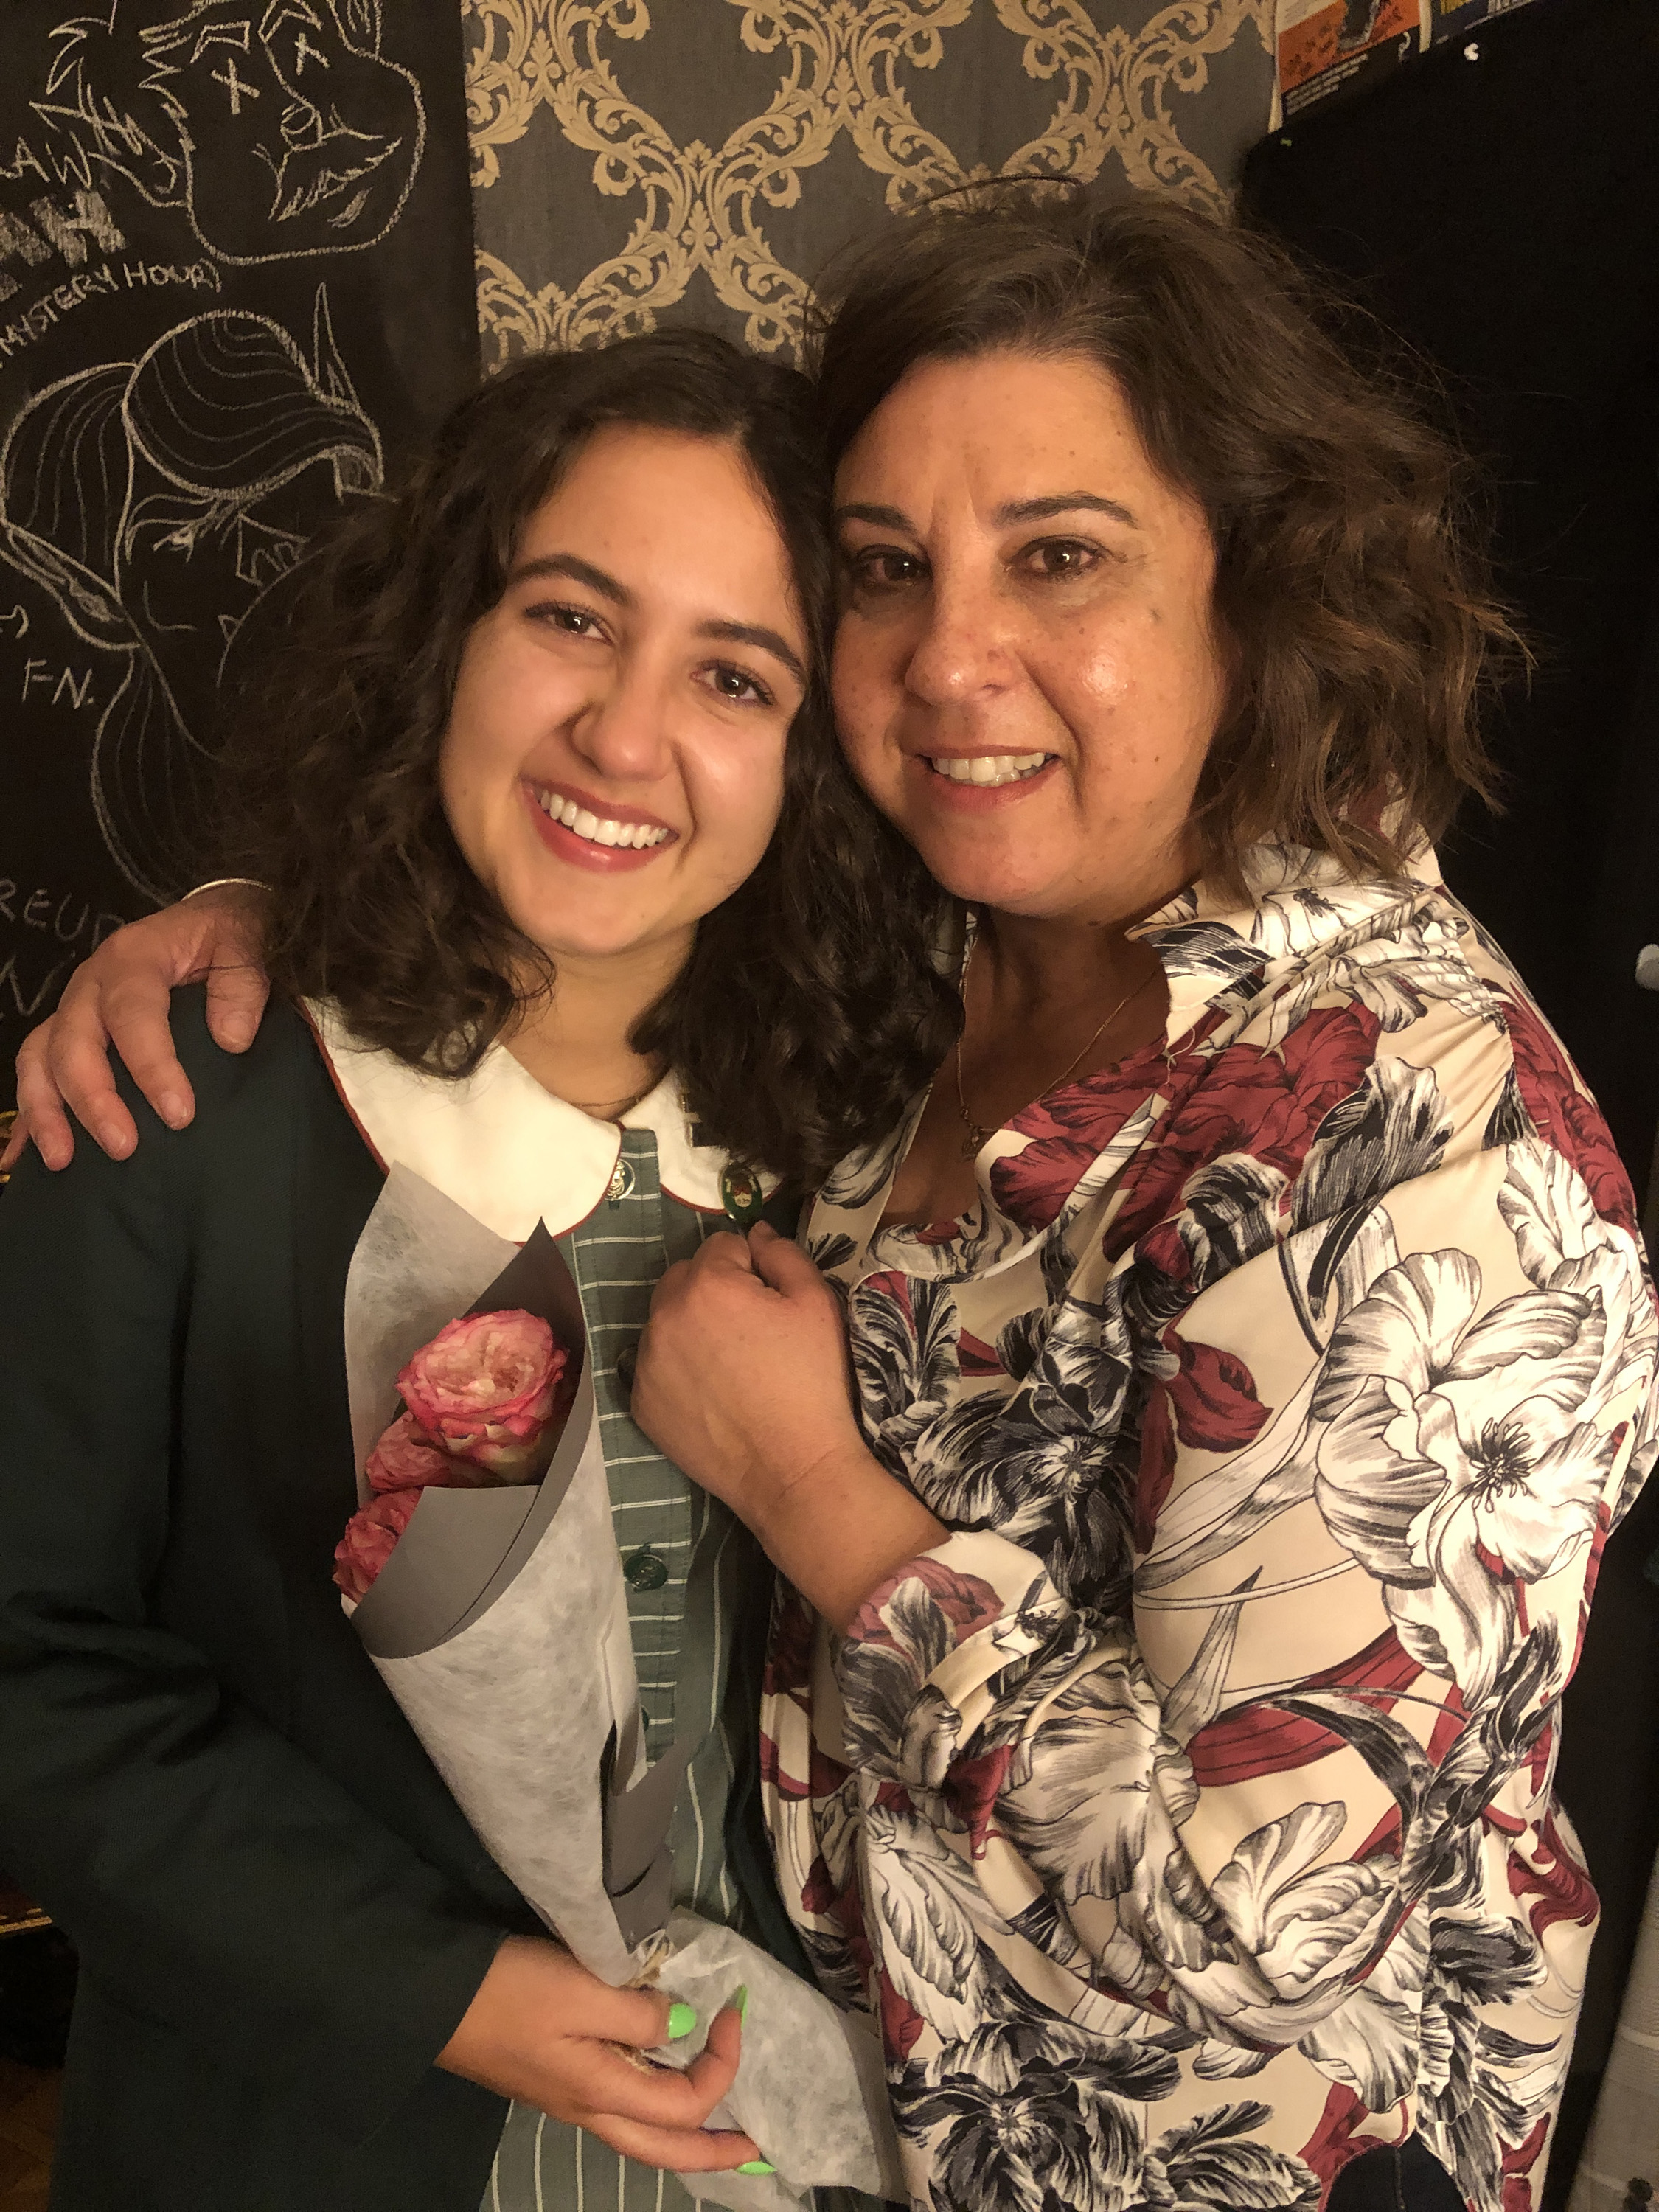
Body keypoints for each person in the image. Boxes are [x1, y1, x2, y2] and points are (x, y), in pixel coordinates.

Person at [10, 192, 1657, 2212]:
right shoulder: (873, 1010)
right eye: (887, 571)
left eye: (1061, 556)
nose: (953, 659)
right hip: (353, 2125)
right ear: (447, 627)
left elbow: (1255, 1916)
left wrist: (811, 1486)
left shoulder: (1379, 1129)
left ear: (1260, 582)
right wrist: (234, 920)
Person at [0, 327, 952, 2212]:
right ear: (447, 634)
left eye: (735, 675)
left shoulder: (867, 1140)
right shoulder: (171, 1096)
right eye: (572, 620)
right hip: (307, 2129)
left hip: (792, 2132)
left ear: (813, 750)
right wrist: (440, 1991)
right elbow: (27, 1666)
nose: (624, 735)